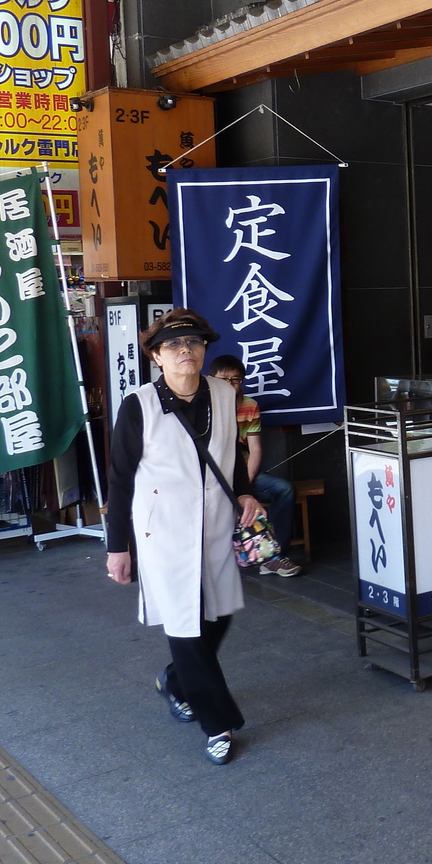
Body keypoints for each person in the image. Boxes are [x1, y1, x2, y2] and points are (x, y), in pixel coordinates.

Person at [105, 309, 265, 766]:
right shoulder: (139, 405)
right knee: (185, 624)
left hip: (214, 524)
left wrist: (245, 492)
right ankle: (216, 723)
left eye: (194, 343)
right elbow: (119, 479)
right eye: (174, 346)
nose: (186, 351)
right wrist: (119, 547)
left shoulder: (223, 394)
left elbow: (231, 453)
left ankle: (177, 681)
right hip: (164, 532)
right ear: (156, 356)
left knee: (219, 615)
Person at [208, 354, 301, 578]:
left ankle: (274, 558)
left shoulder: (250, 406)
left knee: (284, 488)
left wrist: (244, 489)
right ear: (211, 379)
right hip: (211, 477)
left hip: (243, 475)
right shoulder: (204, 407)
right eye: (223, 379)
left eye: (236, 379)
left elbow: (256, 449)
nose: (230, 384)